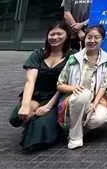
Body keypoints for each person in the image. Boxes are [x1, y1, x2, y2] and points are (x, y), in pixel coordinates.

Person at [9, 21, 71, 152]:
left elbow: (64, 85)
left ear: (67, 36)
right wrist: (26, 105)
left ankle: (46, 130)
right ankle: (31, 122)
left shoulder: (72, 56)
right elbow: (30, 81)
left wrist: (48, 107)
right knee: (19, 116)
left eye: (59, 34)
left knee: (41, 125)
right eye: (52, 34)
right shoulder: (38, 54)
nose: (55, 37)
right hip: (37, 95)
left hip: (56, 97)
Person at [56, 24, 107, 149]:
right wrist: (73, 88)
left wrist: (95, 104)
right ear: (84, 38)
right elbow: (60, 84)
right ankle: (75, 137)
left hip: (94, 100)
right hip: (74, 99)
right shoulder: (74, 59)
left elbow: (104, 86)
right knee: (84, 94)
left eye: (96, 37)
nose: (92, 40)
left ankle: (78, 128)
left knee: (101, 117)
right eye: (89, 37)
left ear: (102, 40)